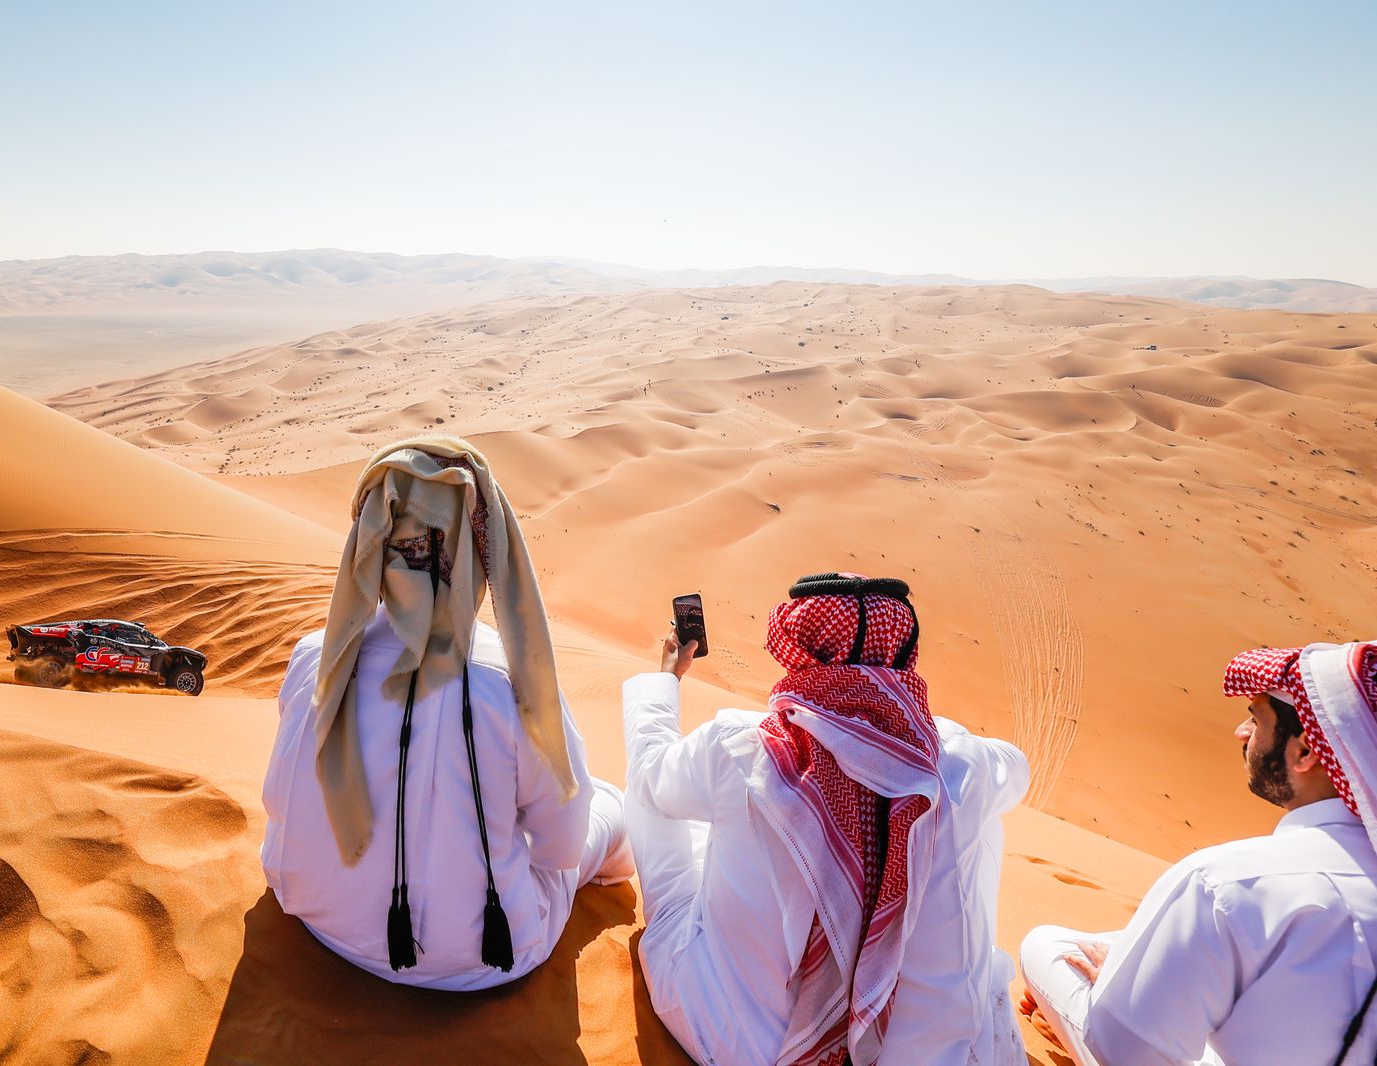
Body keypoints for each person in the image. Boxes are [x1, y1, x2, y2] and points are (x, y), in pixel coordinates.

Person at [261, 436, 632, 990]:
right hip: (480, 961)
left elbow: (277, 800)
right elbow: (559, 844)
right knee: (608, 807)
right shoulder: (509, 680)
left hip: (316, 919)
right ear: (483, 546)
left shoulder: (318, 655)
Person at [623, 573, 1030, 1066]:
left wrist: (666, 678)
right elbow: (1016, 769)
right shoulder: (966, 761)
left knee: (655, 801)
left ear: (795, 647)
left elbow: (650, 776)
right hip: (937, 1057)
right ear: (904, 653)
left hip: (740, 1048)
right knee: (966, 820)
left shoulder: (740, 745)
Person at [1018, 639, 1377, 1066]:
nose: (1241, 733)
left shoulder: (1226, 881)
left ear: (1305, 751)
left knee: (1050, 947)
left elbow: (1126, 1052)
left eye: (1256, 719)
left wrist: (1114, 995)